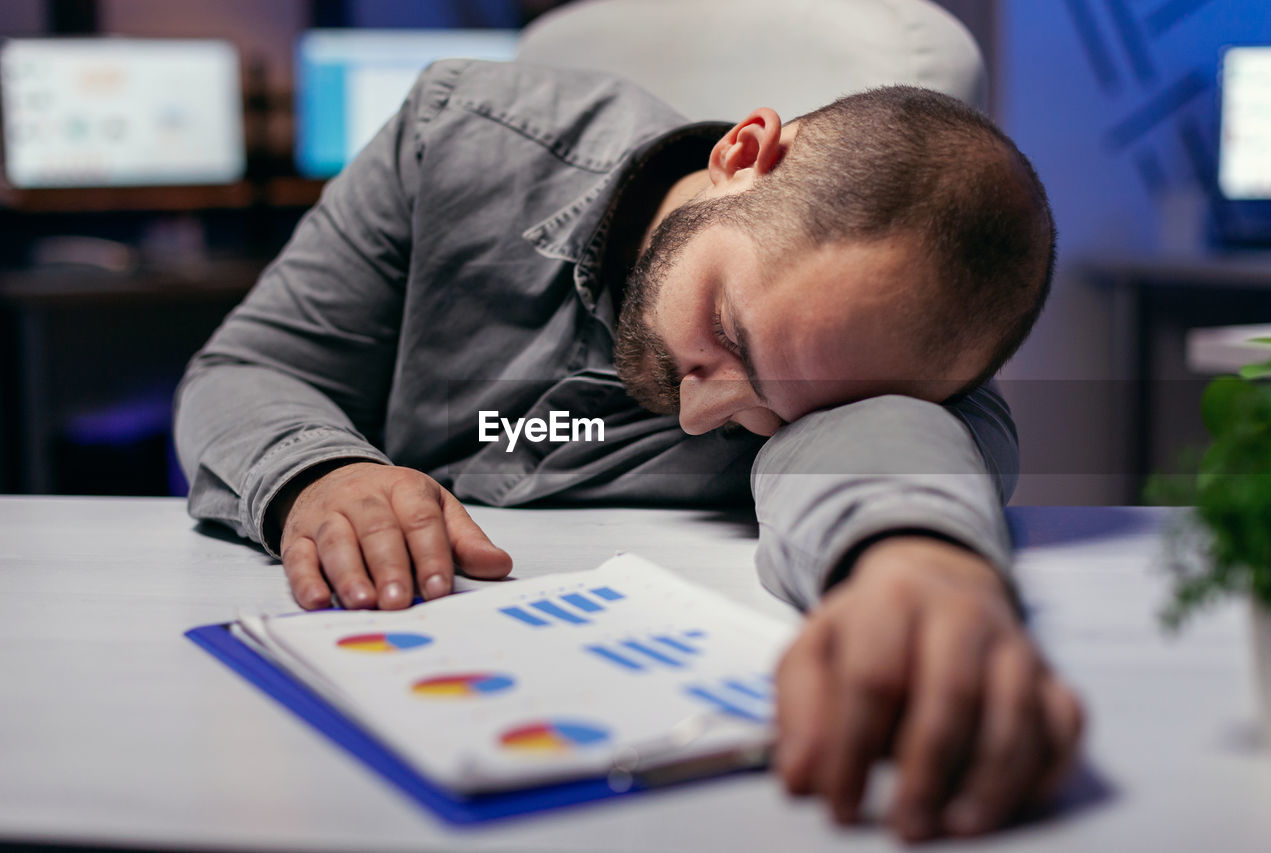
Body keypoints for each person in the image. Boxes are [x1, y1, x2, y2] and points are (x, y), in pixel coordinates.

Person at [175, 59, 1082, 841]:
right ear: (742, 155)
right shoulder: (457, 135)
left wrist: (914, 558)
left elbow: (902, 444)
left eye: (768, 412)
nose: (701, 415)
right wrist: (324, 471)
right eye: (726, 330)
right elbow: (252, 366)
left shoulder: (859, 351)